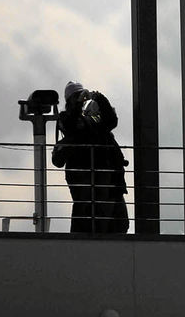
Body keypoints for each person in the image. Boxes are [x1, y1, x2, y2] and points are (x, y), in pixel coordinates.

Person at [52, 81, 129, 234]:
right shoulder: (67, 119)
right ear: (69, 101)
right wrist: (79, 103)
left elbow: (110, 121)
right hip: (85, 183)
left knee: (117, 224)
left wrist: (99, 98)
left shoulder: (92, 122)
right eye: (76, 96)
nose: (80, 98)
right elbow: (73, 125)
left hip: (106, 183)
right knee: (86, 224)